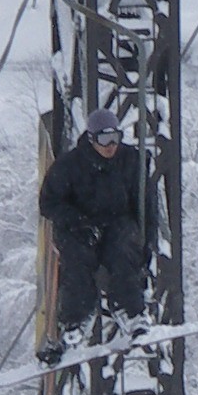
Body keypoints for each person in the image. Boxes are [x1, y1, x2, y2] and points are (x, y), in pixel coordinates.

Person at [40, 104, 152, 349]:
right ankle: (76, 319)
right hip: (80, 224)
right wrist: (76, 221)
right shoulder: (69, 166)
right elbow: (48, 203)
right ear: (91, 139)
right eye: (104, 139)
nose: (111, 146)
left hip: (116, 222)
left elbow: (144, 201)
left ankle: (130, 310)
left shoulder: (129, 161)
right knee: (77, 258)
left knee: (124, 250)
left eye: (115, 138)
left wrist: (147, 242)